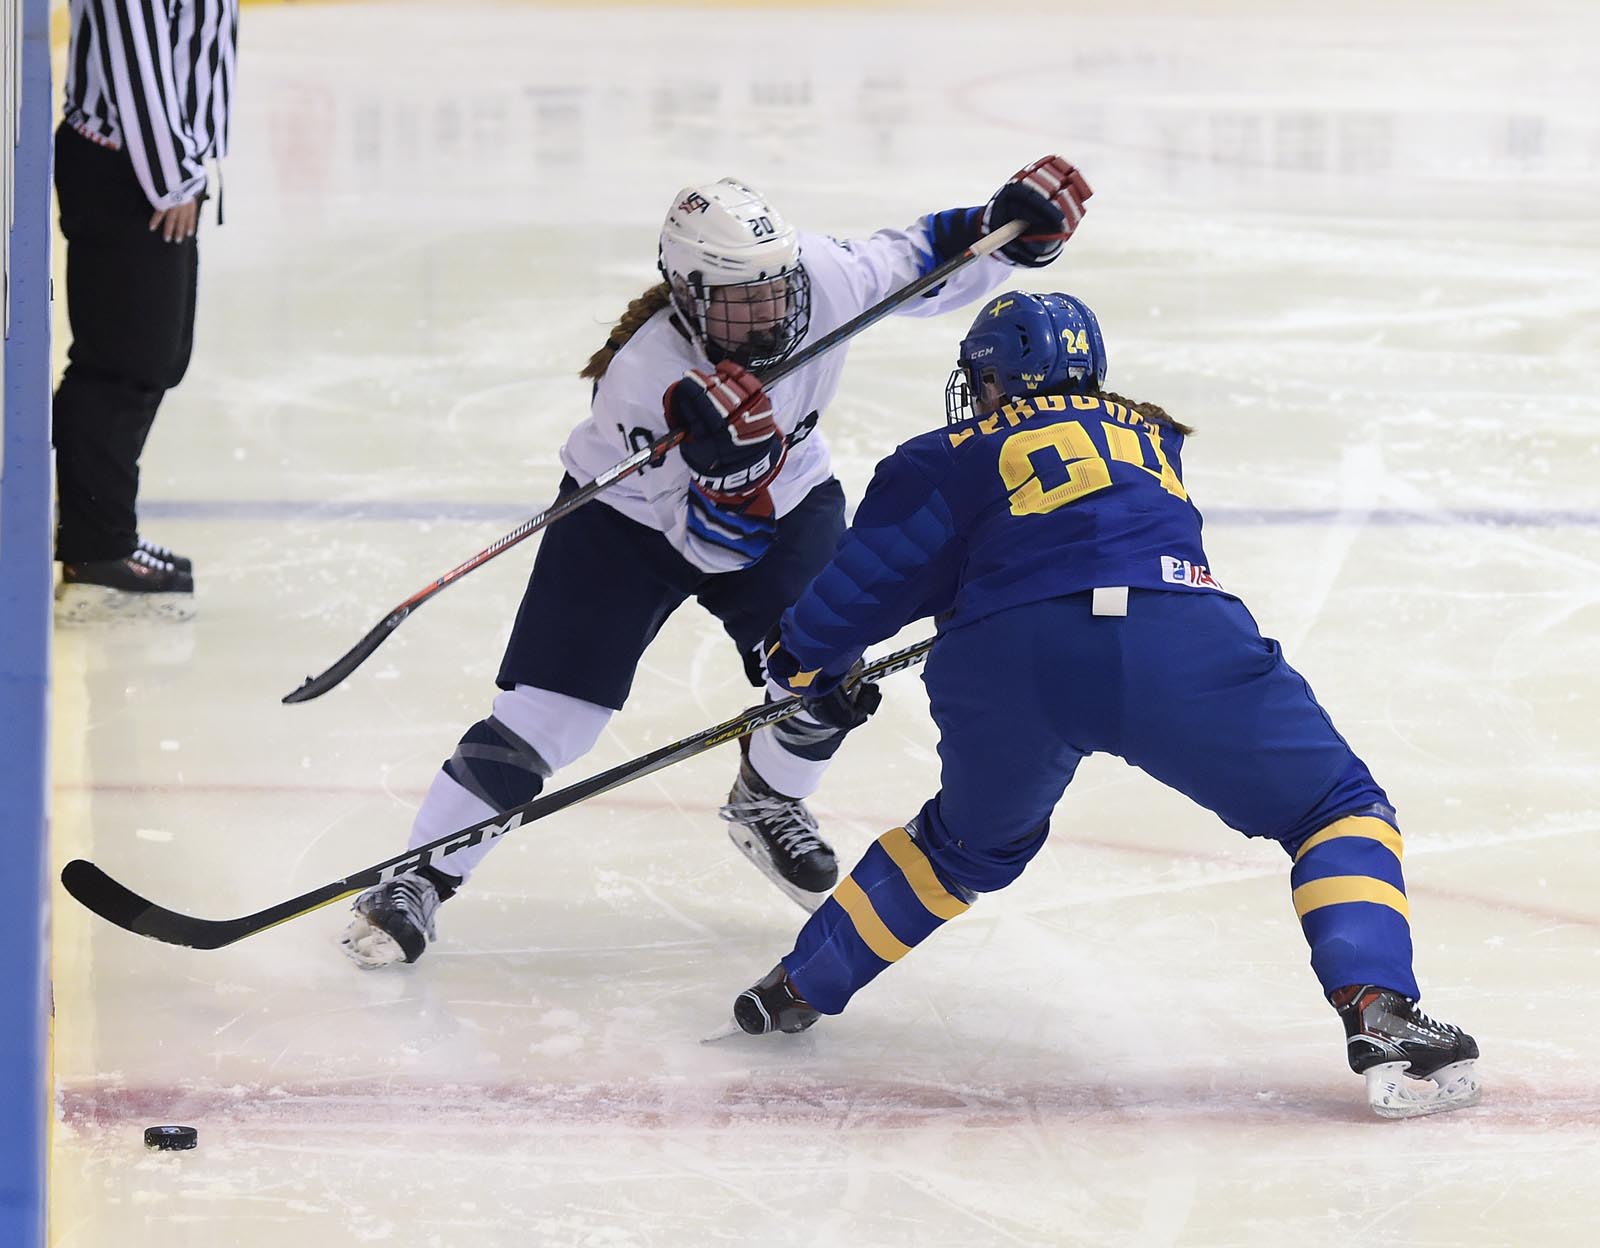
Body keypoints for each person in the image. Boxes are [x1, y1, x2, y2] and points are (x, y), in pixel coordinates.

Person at [733, 291, 1481, 1120]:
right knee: (1334, 809)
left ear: (996, 378)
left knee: (960, 848)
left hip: (1009, 663)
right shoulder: (1153, 435)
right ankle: (1378, 1006)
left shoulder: (944, 453)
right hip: (1175, 638)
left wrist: (805, 666)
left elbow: (861, 595)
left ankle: (794, 987)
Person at [339, 158, 1096, 968]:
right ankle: (418, 876)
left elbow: (925, 258)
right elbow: (710, 545)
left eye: (776, 289)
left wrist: (1007, 229)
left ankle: (768, 800)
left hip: (791, 501)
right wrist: (732, 475)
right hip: (626, 527)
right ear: (689, 295)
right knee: (548, 721)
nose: (769, 310)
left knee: (823, 675)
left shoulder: (823, 278)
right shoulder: (644, 379)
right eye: (741, 300)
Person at [51, 0, 240, 619]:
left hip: (149, 164)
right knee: (122, 363)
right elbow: (134, 47)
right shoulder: (153, 171)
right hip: (131, 167)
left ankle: (106, 532)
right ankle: (97, 546)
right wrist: (172, 178)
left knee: (154, 356)